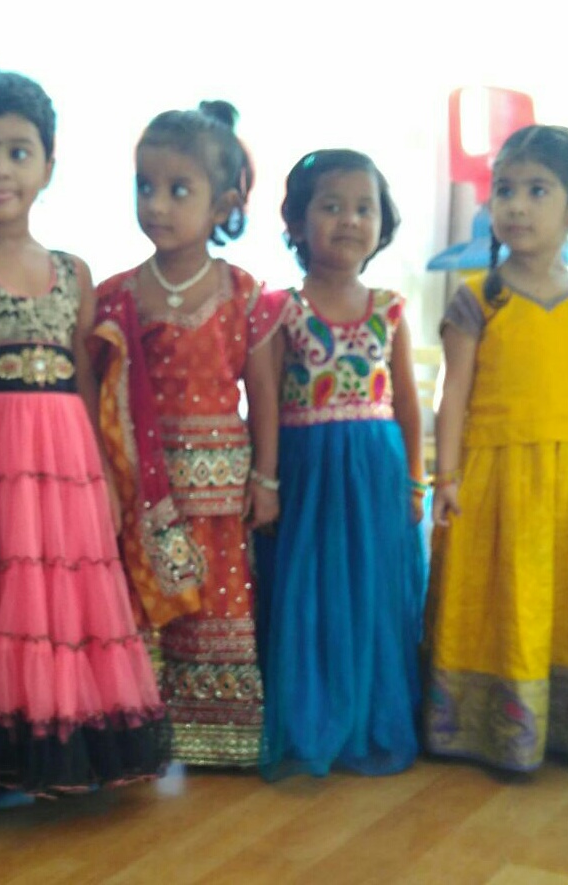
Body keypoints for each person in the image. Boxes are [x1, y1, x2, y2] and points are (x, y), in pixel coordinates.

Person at [0, 68, 170, 804]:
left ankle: (71, 753)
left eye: (18, 152)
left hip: (68, 464)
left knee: (67, 599)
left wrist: (107, 479)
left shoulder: (72, 271)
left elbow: (85, 383)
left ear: (48, 166)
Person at [89, 102, 276, 767]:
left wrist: (266, 479)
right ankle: (141, 732)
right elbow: (97, 402)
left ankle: (215, 737)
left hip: (220, 492)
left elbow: (263, 395)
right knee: (144, 606)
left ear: (222, 204)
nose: (156, 205)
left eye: (177, 190)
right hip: (142, 490)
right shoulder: (115, 296)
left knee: (216, 604)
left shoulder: (244, 294)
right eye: (145, 186)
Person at [425, 124, 568, 773]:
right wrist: (446, 477)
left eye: (537, 190)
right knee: (496, 594)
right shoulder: (479, 299)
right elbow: (453, 396)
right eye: (505, 190)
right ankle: (488, 728)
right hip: (494, 476)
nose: (516, 206)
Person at [253, 148, 425, 780]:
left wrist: (416, 481)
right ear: (297, 223)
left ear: (383, 222)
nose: (350, 220)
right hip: (308, 474)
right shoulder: (280, 308)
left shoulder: (390, 307)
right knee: (311, 595)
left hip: (376, 473)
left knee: (372, 596)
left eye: (364, 208)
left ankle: (369, 718)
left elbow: (407, 403)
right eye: (331, 206)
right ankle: (312, 719)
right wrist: (266, 482)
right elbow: (265, 402)